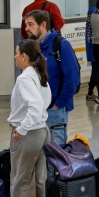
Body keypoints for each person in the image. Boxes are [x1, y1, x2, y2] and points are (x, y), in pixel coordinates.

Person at [8, 40, 51, 197]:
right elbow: (45, 102)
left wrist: (22, 128)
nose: (15, 56)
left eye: (16, 53)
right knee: (40, 180)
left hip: (29, 134)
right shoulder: (39, 74)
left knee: (21, 180)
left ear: (24, 56)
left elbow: (35, 106)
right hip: (42, 131)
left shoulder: (25, 78)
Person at [23, 10, 79, 152]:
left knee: (54, 157)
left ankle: (53, 176)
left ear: (43, 25)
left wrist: (58, 105)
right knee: (39, 156)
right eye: (26, 25)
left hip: (55, 111)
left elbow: (72, 79)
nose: (26, 29)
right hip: (37, 111)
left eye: (30, 24)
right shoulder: (32, 48)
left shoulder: (61, 45)